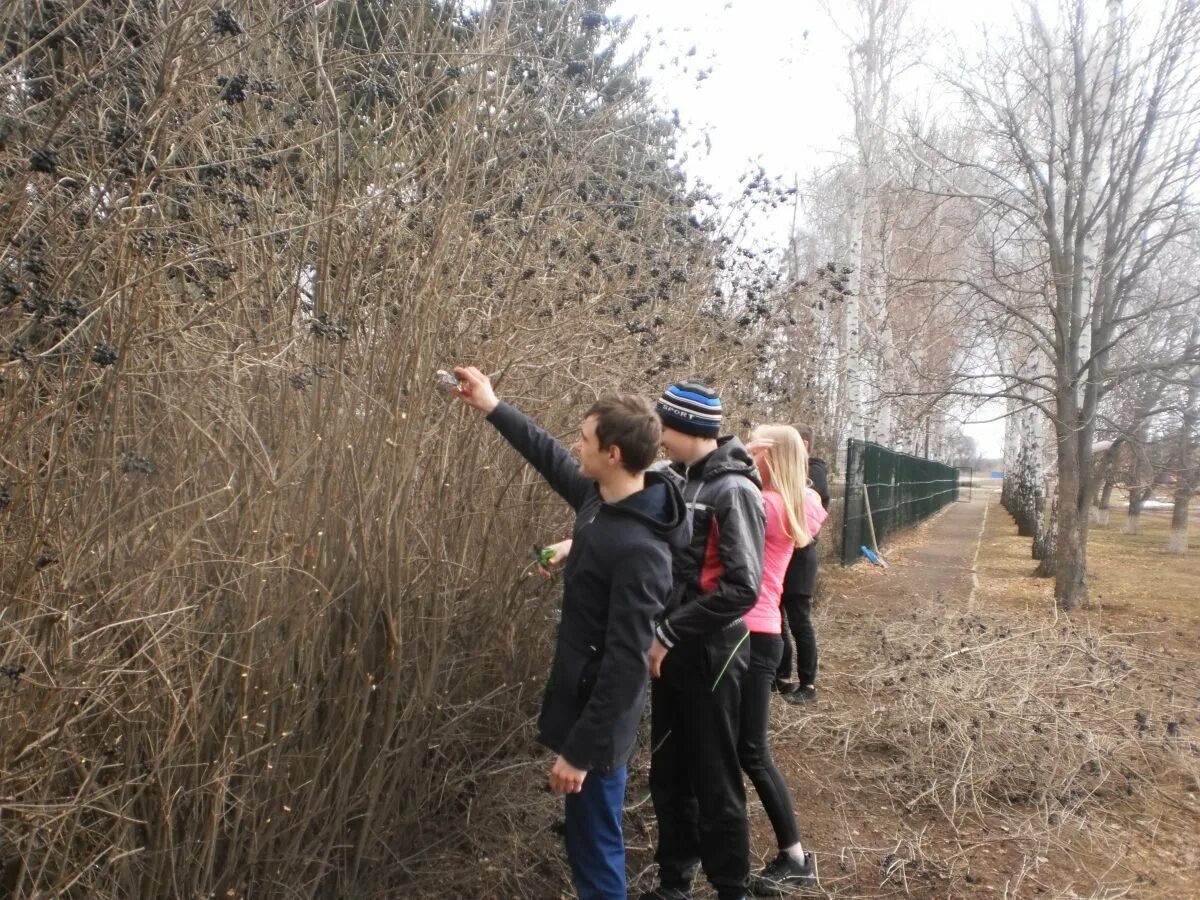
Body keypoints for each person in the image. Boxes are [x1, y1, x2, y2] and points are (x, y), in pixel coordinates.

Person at [450, 366, 688, 900]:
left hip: (599, 726)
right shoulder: (601, 500)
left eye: (584, 439)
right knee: (587, 842)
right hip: (585, 708)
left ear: (614, 455)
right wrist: (492, 405)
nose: (574, 446)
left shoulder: (642, 551)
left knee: (597, 847)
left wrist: (580, 752)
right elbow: (545, 454)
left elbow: (627, 666)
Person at [639, 381, 766, 900]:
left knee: (715, 776)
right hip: (668, 654)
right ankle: (674, 883)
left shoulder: (733, 491)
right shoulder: (673, 480)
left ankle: (731, 887)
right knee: (668, 770)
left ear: (686, 428)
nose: (659, 437)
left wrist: (669, 631)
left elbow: (743, 588)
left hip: (713, 651)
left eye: (663, 427)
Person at [740, 425, 826, 894]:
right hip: (763, 632)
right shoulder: (802, 502)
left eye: (754, 447)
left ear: (768, 455)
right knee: (742, 749)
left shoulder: (768, 505)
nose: (745, 453)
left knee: (751, 751)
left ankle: (794, 856)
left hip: (751, 635)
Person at [776, 425, 830, 704]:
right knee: (778, 619)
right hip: (782, 559)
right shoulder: (787, 472)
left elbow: (807, 513)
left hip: (800, 559)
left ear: (804, 444)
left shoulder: (813, 473)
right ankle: (782, 676)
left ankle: (808, 684)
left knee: (799, 621)